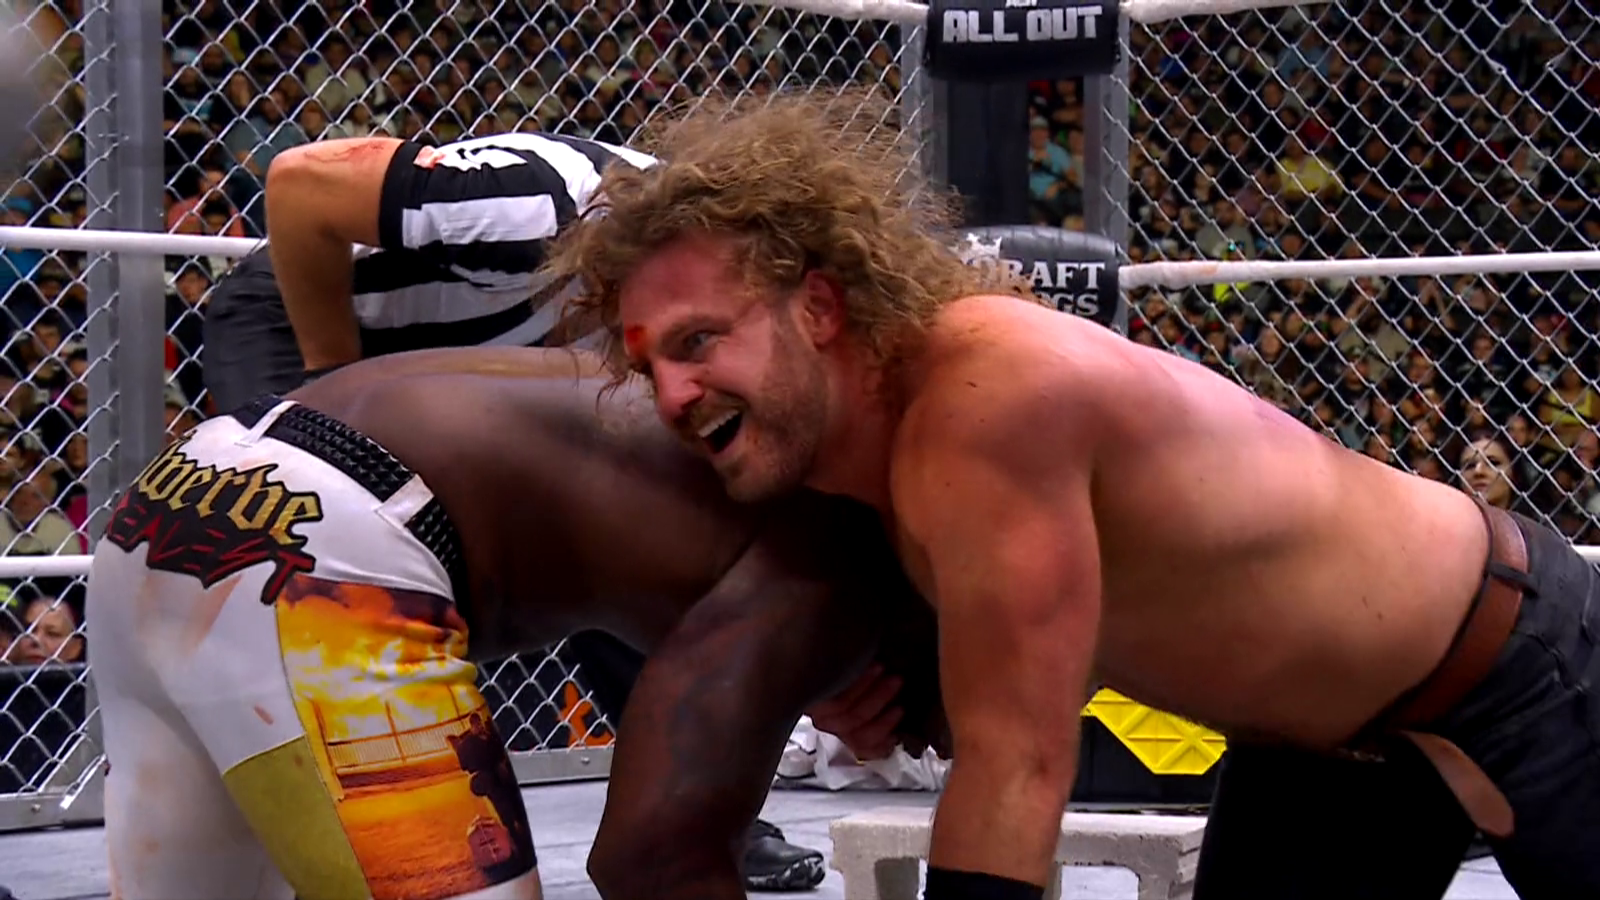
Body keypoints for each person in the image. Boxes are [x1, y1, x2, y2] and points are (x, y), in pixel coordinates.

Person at [547, 89, 1600, 900]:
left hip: (1516, 664)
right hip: (1321, 754)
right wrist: (863, 690)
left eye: (700, 341)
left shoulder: (986, 399)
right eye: (648, 365)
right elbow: (1052, 649)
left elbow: (1017, 763)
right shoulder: (861, 460)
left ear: (818, 307)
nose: (673, 394)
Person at [200, 131, 830, 889]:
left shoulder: (697, 283)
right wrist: (331, 376)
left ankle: (698, 816)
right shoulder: (539, 203)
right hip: (305, 321)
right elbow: (301, 185)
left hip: (472, 352)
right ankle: (295, 818)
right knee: (309, 556)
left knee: (618, 538)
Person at [87, 345, 944, 900]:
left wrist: (793, 683)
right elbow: (653, 857)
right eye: (940, 742)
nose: (924, 751)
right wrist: (806, 665)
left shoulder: (793, 479)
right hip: (324, 553)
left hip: (175, 498)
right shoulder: (838, 573)